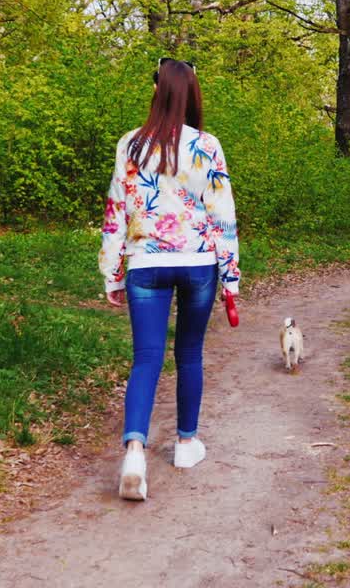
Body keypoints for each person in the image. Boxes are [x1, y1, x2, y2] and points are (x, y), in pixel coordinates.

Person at [98, 58, 241, 501]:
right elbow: (223, 216)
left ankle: (135, 453)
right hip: (197, 263)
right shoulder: (208, 145)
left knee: (146, 359)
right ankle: (184, 444)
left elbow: (115, 211)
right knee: (190, 354)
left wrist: (111, 272)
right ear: (192, 93)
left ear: (157, 91)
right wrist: (230, 279)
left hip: (145, 263)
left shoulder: (131, 144)